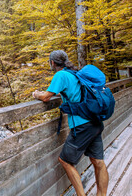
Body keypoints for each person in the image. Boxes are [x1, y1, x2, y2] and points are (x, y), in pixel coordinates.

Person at [32, 50, 109, 196]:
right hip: (95, 121)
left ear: (52, 63)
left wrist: (36, 94)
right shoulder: (75, 73)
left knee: (65, 160)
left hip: (82, 125)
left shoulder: (60, 75)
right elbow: (73, 93)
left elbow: (46, 97)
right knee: (98, 161)